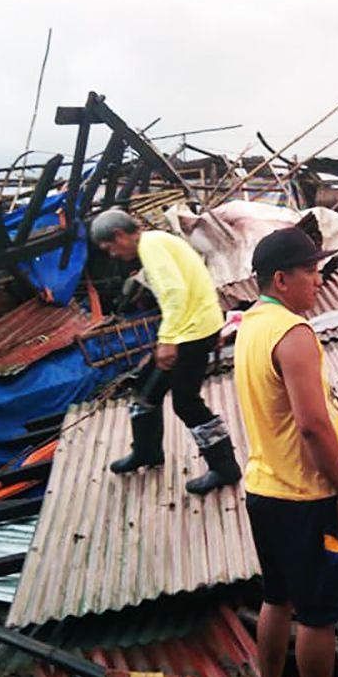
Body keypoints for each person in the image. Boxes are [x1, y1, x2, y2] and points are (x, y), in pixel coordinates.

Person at [235, 225, 338, 677]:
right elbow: (313, 426)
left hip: (265, 490)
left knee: (278, 597)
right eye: (311, 271)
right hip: (304, 496)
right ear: (282, 278)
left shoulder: (251, 324)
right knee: (319, 616)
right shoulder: (294, 334)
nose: (318, 280)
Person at [90, 209, 241, 496]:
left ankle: (224, 467)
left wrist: (168, 340)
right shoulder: (156, 242)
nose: (112, 254)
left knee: (186, 403)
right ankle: (146, 452)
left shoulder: (152, 247)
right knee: (146, 389)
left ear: (120, 235)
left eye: (110, 247)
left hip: (191, 332)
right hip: (196, 326)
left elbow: (175, 293)